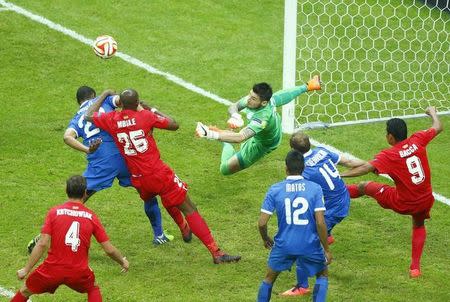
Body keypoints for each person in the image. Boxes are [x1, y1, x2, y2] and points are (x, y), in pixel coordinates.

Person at [85, 88, 241, 264]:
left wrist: (104, 95)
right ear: (137, 103)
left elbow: (89, 116)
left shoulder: (111, 119)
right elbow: (174, 124)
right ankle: (216, 252)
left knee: (155, 197)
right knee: (189, 207)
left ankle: (183, 228)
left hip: (138, 178)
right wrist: (150, 108)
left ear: (120, 104)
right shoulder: (145, 117)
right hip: (157, 173)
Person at [341, 107, 443, 278]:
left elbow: (365, 168)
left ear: (390, 136)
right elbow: (438, 126)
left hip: (402, 202)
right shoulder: (418, 139)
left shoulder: (390, 154)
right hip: (425, 199)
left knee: (364, 186)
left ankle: (332, 191)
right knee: (418, 224)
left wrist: (339, 175)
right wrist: (432, 112)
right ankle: (415, 268)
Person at [11, 175, 129, 302]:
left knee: (25, 291)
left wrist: (26, 269)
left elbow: (42, 244)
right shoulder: (91, 217)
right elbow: (109, 250)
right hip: (78, 272)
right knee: (92, 288)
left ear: (66, 191)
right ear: (85, 193)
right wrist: (123, 261)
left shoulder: (54, 212)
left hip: (52, 270)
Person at [281, 131, 365, 296]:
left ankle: (302, 286)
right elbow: (348, 161)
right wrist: (370, 165)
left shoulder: (303, 170)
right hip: (343, 197)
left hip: (332, 208)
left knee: (302, 239)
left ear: (293, 150)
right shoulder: (322, 151)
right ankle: (326, 235)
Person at [195, 76, 321, 175]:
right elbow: (234, 106)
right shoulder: (260, 100)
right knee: (242, 133)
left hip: (262, 144)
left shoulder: (261, 118)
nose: (249, 99)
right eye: (250, 95)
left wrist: (210, 134)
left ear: (264, 103)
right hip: (265, 130)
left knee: (224, 169)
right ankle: (223, 135)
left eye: (253, 98)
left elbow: (240, 138)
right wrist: (235, 115)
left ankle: (224, 141)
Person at [257, 150, 331, 302]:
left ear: (286, 168)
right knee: (322, 275)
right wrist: (327, 250)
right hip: (309, 245)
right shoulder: (315, 189)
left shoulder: (275, 190)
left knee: (269, 279)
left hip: (284, 245)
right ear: (303, 168)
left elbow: (262, 222)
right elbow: (320, 222)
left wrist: (265, 239)